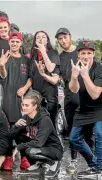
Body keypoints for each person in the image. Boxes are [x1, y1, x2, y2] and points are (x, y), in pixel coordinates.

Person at [55, 28, 93, 173]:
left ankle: (92, 163)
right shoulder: (60, 57)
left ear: (70, 37)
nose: (63, 40)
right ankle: (73, 160)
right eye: (60, 39)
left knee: (89, 131)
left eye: (65, 37)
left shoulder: (82, 51)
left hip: (86, 97)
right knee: (72, 132)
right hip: (70, 98)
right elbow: (57, 75)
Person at [0, 32, 32, 170]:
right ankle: (8, 157)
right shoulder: (5, 57)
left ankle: (24, 157)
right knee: (8, 128)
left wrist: (25, 88)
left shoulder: (26, 60)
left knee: (22, 128)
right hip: (7, 98)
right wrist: (1, 65)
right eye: (12, 41)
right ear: (9, 43)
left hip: (21, 99)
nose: (14, 44)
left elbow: (31, 78)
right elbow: (3, 75)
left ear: (21, 43)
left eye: (17, 42)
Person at [11, 91, 63, 178]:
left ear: (35, 106)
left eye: (27, 105)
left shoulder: (45, 120)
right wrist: (15, 126)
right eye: (23, 105)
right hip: (41, 148)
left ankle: (54, 163)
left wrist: (18, 147)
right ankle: (37, 164)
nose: (23, 108)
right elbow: (11, 134)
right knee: (19, 137)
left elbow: (38, 142)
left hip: (54, 150)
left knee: (30, 151)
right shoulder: (26, 117)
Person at [69, 41, 102, 177]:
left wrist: (85, 75)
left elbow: (95, 94)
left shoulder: (99, 68)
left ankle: (100, 168)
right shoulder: (76, 67)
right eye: (83, 53)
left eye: (89, 53)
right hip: (83, 109)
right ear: (78, 55)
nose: (86, 56)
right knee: (74, 138)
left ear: (93, 54)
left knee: (100, 134)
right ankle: (93, 164)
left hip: (99, 108)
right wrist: (74, 76)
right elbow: (73, 89)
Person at [29, 30, 60, 124]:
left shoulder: (53, 53)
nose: (40, 39)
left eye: (43, 37)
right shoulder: (32, 57)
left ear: (47, 40)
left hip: (49, 95)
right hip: (36, 95)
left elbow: (51, 68)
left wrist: (43, 50)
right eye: (38, 37)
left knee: (49, 123)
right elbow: (31, 76)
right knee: (37, 123)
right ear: (35, 41)